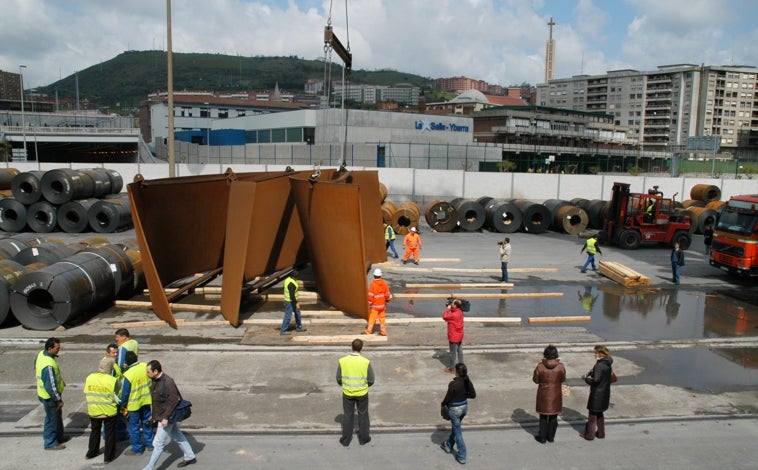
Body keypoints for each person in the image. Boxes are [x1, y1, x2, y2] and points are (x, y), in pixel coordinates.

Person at [144, 360, 197, 469]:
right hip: (162, 417)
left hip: (166, 418)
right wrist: (154, 417)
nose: (147, 374)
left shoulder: (167, 382)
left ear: (155, 371)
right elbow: (157, 402)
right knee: (177, 435)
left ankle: (149, 468)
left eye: (148, 372)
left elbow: (173, 401)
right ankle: (189, 456)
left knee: (158, 444)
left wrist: (165, 418)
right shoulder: (155, 380)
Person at [336, 339, 375, 447]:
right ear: (361, 348)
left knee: (348, 416)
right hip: (362, 393)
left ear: (351, 347)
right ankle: (364, 438)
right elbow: (371, 380)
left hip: (348, 392)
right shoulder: (365, 361)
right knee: (363, 415)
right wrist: (364, 386)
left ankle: (346, 440)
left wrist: (345, 385)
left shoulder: (343, 361)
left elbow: (338, 378)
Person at [440, 363, 476, 465]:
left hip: (454, 410)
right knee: (456, 428)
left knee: (458, 433)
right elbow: (473, 395)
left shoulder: (453, 384)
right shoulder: (467, 381)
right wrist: (464, 395)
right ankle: (448, 445)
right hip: (464, 408)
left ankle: (462, 456)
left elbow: (448, 398)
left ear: (457, 372)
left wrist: (443, 404)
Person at [84, 357, 119, 463]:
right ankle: (108, 456)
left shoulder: (90, 377)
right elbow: (117, 393)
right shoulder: (113, 381)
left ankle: (91, 452)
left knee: (94, 431)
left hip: (94, 410)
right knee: (109, 434)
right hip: (108, 411)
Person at [119, 351, 154, 456]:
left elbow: (125, 393)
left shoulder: (128, 374)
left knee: (133, 427)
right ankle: (150, 444)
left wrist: (123, 404)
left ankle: (137, 449)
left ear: (126, 362)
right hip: (146, 400)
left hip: (133, 405)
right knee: (147, 423)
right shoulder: (144, 366)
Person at [35, 337, 67, 450]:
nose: (59, 350)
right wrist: (58, 399)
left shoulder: (41, 355)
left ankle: (59, 436)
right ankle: (50, 443)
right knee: (51, 419)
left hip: (43, 393)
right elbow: (51, 386)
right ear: (50, 348)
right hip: (50, 397)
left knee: (57, 417)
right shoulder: (48, 365)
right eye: (57, 348)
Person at [532, 345, 566, 443]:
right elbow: (563, 379)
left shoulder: (540, 366)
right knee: (553, 417)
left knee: (543, 416)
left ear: (545, 354)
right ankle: (551, 437)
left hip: (543, 394)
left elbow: (536, 380)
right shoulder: (561, 366)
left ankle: (542, 437)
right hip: (555, 393)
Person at [581, 345, 614, 441]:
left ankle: (589, 435)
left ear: (601, 354)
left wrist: (586, 379)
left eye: (595, 353)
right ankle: (601, 433)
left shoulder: (600, 365)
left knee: (592, 416)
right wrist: (593, 372)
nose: (594, 354)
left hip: (597, 394)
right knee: (600, 415)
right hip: (605, 392)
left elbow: (596, 380)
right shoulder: (608, 362)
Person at [364, 268, 391, 336]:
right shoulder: (384, 283)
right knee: (382, 318)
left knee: (372, 318)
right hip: (382, 305)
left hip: (375, 306)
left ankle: (369, 330)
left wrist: (369, 304)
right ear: (380, 276)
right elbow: (387, 294)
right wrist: (387, 300)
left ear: (374, 275)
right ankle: (383, 331)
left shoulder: (372, 284)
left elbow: (370, 295)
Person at [280, 270, 307, 335]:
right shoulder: (291, 283)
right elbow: (292, 295)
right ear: (294, 277)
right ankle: (283, 331)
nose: (297, 278)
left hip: (292, 301)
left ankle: (299, 327)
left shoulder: (288, 279)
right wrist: (295, 303)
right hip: (290, 302)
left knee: (298, 314)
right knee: (288, 316)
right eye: (297, 277)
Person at [442, 299, 464, 374]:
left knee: (452, 353)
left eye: (453, 303)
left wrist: (447, 309)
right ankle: (461, 365)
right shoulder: (460, 312)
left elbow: (444, 317)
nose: (451, 304)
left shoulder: (453, 315)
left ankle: (452, 368)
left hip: (453, 336)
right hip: (459, 335)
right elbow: (454, 310)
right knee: (460, 351)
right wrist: (451, 307)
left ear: (455, 305)